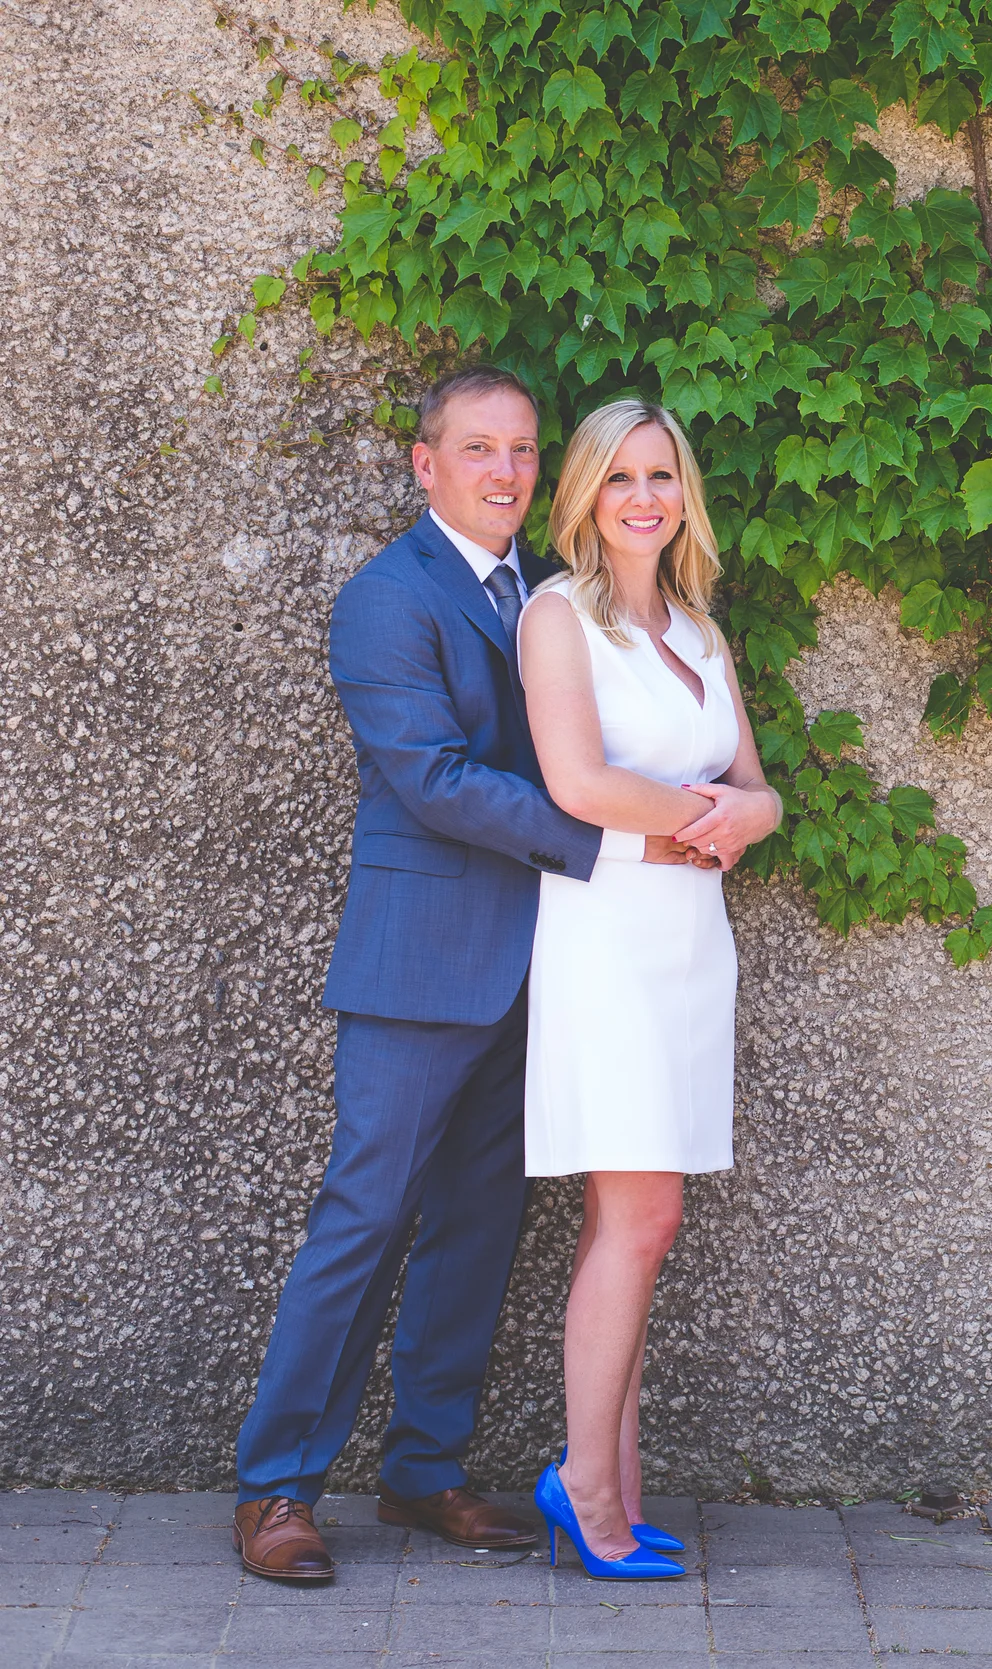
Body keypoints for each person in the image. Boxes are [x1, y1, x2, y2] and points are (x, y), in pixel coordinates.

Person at [231, 367, 707, 1583]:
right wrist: (616, 833)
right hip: (420, 963)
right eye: (478, 448)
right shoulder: (387, 600)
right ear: (424, 462)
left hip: (545, 966)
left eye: (522, 451)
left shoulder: (551, 598)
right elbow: (434, 779)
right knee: (366, 1216)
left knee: (478, 1231)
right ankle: (276, 1485)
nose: (504, 471)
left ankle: (422, 1472)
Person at [517, 398, 780, 1579]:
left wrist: (751, 813)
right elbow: (576, 782)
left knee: (627, 1225)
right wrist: (705, 821)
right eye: (619, 476)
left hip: (689, 940)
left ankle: (607, 1480)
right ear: (583, 494)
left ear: (684, 493)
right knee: (645, 1216)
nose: (642, 496)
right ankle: (585, 1487)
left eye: (661, 475)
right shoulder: (554, 617)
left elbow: (756, 788)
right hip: (608, 935)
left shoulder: (701, 630)